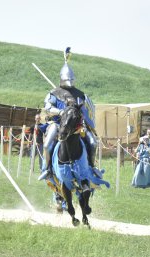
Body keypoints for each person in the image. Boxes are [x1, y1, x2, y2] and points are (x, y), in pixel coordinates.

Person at [38, 47, 99, 180]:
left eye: (71, 79)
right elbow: (47, 107)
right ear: (62, 78)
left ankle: (92, 167)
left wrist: (82, 118)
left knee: (93, 143)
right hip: (57, 123)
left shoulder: (80, 94)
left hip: (76, 125)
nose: (69, 82)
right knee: (48, 144)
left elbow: (86, 110)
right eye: (67, 79)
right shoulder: (54, 93)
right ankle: (47, 169)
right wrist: (60, 112)